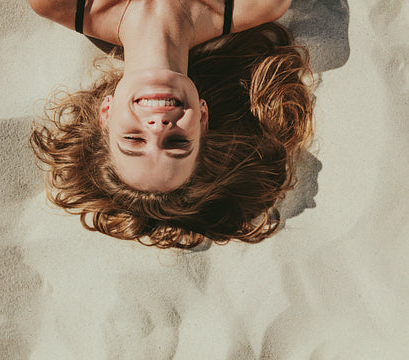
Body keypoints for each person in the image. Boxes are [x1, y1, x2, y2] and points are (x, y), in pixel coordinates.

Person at [29, 0, 314, 248]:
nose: (158, 127)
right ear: (203, 118)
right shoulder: (257, 4)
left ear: (106, 113)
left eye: (133, 140)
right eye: (177, 143)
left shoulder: (62, 3)